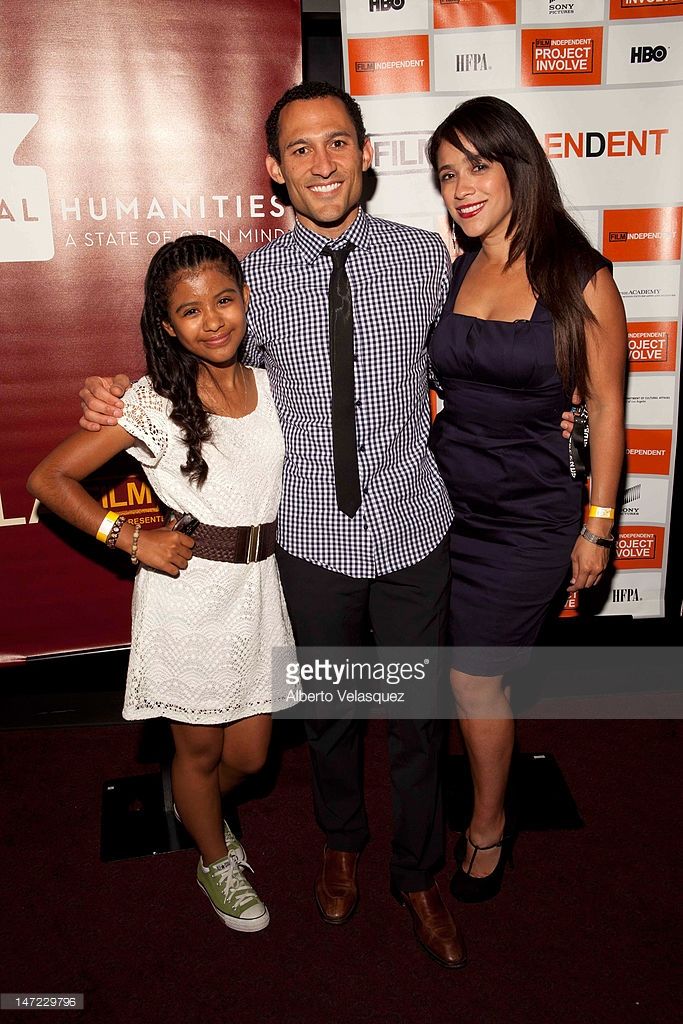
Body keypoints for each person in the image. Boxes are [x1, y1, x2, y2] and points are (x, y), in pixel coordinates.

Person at [75, 82, 578, 966]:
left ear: (366, 154)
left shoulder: (427, 260)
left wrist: (553, 420)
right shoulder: (253, 282)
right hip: (309, 542)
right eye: (299, 149)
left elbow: (484, 356)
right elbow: (196, 362)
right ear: (274, 169)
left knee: (418, 722)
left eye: (337, 142)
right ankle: (340, 844)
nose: (321, 163)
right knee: (334, 716)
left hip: (414, 528)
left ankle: (416, 874)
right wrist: (114, 390)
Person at [27, 234, 295, 933]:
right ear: (167, 325)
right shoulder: (154, 401)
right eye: (190, 310)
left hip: (259, 592)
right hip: (188, 596)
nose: (212, 321)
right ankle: (213, 857)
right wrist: (129, 538)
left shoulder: (273, 384)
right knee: (198, 752)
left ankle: (196, 805)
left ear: (246, 299)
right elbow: (48, 479)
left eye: (224, 300)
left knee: (251, 755)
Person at [426, 96, 626, 902]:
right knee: (461, 671)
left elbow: (606, 407)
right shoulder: (456, 266)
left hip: (528, 515)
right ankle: (477, 781)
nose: (461, 188)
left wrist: (598, 529)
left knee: (474, 676)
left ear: (518, 166)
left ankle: (487, 825)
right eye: (446, 174)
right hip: (441, 501)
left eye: (477, 166)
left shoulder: (580, 276)